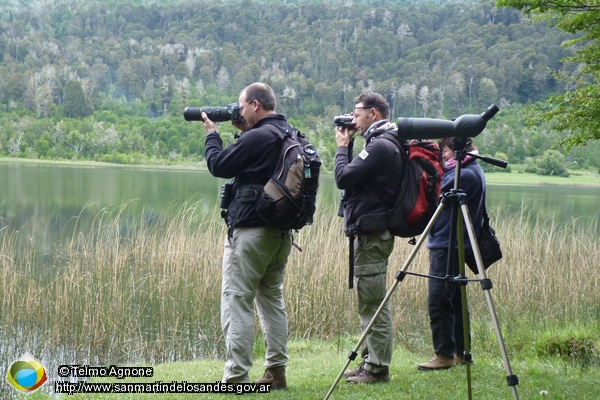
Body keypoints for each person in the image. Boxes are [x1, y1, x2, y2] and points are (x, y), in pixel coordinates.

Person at [202, 82, 293, 389]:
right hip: (281, 233)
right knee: (271, 299)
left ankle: (236, 377)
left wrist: (212, 133)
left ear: (255, 105)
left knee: (236, 300)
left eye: (241, 106)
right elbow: (258, 166)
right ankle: (276, 371)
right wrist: (243, 131)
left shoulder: (259, 136)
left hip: (252, 231)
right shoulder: (288, 133)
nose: (237, 112)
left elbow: (218, 165)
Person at [334, 92, 404, 384]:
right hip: (371, 231)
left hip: (374, 234)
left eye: (357, 112)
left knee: (374, 301)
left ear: (373, 113)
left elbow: (342, 178)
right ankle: (368, 362)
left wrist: (342, 147)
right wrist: (351, 146)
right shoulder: (384, 143)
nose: (353, 119)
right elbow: (354, 178)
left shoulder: (380, 146)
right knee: (368, 298)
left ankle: (377, 368)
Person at [418, 136, 485, 370]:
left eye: (444, 151)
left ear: (457, 150)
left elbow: (436, 196)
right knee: (456, 299)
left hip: (447, 243)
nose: (442, 156)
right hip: (454, 243)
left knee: (438, 298)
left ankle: (444, 354)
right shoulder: (473, 169)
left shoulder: (462, 175)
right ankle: (461, 352)